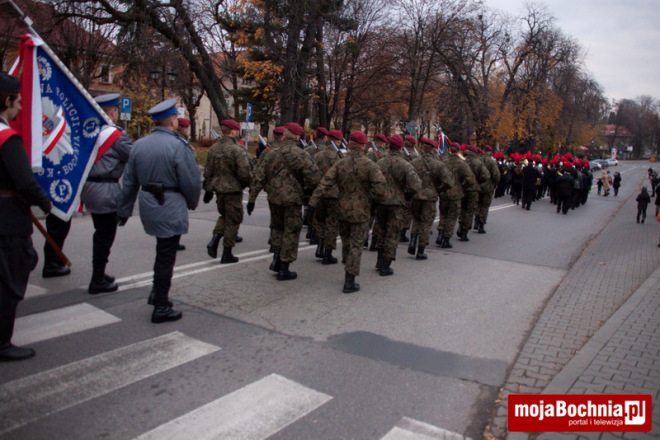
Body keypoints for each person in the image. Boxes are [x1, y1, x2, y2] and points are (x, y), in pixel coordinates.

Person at [118, 99, 201, 323]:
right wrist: (192, 202)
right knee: (166, 256)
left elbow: (129, 181)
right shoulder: (178, 146)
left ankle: (157, 293)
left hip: (148, 203)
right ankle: (161, 305)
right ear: (173, 120)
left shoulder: (139, 145)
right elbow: (191, 181)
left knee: (162, 251)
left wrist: (124, 210)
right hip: (170, 203)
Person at [0, 72, 53, 360]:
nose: (20, 106)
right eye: (18, 101)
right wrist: (47, 204)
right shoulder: (7, 138)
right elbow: (25, 182)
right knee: (9, 280)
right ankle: (2, 342)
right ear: (7, 100)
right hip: (8, 220)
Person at [309, 131, 390, 292]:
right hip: (361, 211)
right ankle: (349, 280)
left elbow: (325, 182)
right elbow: (380, 190)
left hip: (342, 208)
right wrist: (378, 203)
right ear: (363, 145)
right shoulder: (370, 165)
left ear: (350, 144)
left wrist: (312, 203)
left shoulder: (340, 163)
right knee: (356, 245)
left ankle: (348, 267)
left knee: (346, 242)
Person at [247, 122, 320, 281]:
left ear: (285, 135)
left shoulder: (272, 154)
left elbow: (259, 177)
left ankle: (276, 259)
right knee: (291, 231)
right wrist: (307, 195)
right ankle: (284, 267)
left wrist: (251, 199)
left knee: (277, 228)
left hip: (274, 198)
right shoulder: (301, 155)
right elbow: (314, 179)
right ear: (297, 136)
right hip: (292, 200)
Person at [80, 93, 133, 294]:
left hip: (90, 187)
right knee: (104, 236)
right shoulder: (114, 136)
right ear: (112, 112)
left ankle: (100, 273)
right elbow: (134, 155)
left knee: (100, 232)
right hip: (106, 189)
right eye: (116, 111)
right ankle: (97, 279)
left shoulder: (89, 131)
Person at [203, 119, 251, 263]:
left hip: (218, 189)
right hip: (233, 189)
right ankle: (227, 252)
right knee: (234, 220)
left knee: (224, 216)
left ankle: (215, 239)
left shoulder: (214, 148)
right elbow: (245, 172)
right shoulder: (237, 149)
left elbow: (208, 171)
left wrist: (208, 188)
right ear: (233, 131)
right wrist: (246, 184)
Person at [375, 135, 422, 276]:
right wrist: (407, 194)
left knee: (381, 230)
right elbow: (416, 186)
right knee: (392, 233)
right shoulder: (405, 165)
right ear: (401, 148)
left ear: (389, 146)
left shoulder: (380, 162)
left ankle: (379, 260)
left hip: (381, 201)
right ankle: (386, 265)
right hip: (397, 203)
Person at [409, 138, 453, 259]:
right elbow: (449, 182)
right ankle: (421, 250)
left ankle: (412, 241)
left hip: (416, 195)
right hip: (430, 197)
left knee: (416, 219)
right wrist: (439, 189)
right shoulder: (438, 164)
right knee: (426, 223)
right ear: (433, 149)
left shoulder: (414, 162)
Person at [437, 142, 477, 247]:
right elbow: (470, 179)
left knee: (443, 215)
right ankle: (446, 239)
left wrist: (440, 187)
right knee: (452, 216)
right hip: (455, 193)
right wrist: (462, 185)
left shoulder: (443, 161)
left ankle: (440, 234)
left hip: (443, 192)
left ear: (450, 149)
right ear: (459, 151)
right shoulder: (462, 164)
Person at [311, 129, 342, 264]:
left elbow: (313, 174)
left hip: (320, 193)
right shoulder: (340, 157)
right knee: (332, 224)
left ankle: (319, 247)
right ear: (338, 141)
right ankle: (327, 253)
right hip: (335, 194)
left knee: (320, 221)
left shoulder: (318, 155)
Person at [475, 145, 500, 233]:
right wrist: (495, 182)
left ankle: (476, 220)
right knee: (485, 206)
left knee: (478, 204)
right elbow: (496, 175)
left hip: (478, 185)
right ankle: (481, 225)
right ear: (490, 151)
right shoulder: (492, 162)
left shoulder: (478, 160)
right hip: (488, 187)